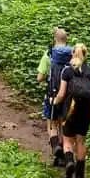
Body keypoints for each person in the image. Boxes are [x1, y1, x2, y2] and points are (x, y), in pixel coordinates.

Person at [53, 43, 90, 178]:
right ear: (86, 55)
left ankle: (69, 163)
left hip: (69, 110)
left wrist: (54, 103)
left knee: (68, 141)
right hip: (85, 110)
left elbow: (62, 94)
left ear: (72, 54)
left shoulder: (67, 71)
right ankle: (79, 176)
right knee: (81, 141)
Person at [37, 28, 73, 167]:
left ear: (54, 39)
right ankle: (64, 157)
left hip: (52, 95)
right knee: (63, 124)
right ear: (66, 40)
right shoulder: (73, 55)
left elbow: (39, 78)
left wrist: (48, 75)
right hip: (68, 96)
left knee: (51, 124)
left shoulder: (49, 55)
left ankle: (55, 147)